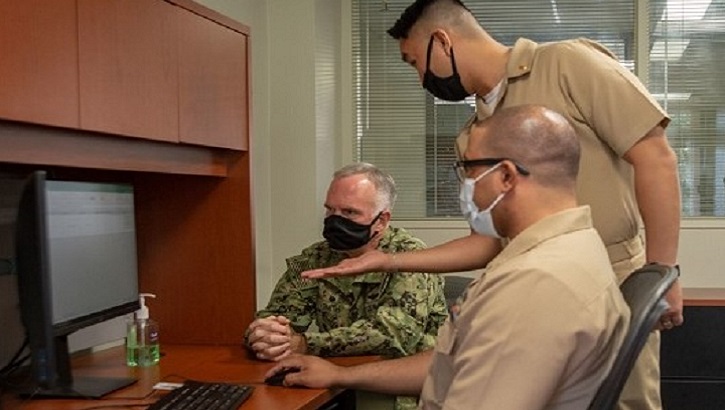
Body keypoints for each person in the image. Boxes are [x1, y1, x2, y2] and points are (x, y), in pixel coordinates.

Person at [306, 1, 683, 409]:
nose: (420, 80)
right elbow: (486, 241)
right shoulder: (475, 134)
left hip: (610, 275)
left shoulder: (567, 65)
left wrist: (662, 272)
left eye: (415, 62)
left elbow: (654, 157)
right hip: (535, 280)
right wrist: (387, 260)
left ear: (443, 41)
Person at [272, 104, 631, 409]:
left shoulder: (536, 283)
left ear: (505, 175)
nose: (465, 187)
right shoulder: (569, 250)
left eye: (469, 170)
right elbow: (455, 364)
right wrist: (339, 374)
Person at [244, 162, 448, 410]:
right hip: (335, 383)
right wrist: (265, 335)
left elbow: (391, 336)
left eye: (350, 213)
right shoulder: (315, 258)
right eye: (331, 211)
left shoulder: (409, 257)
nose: (335, 221)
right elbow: (276, 316)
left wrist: (305, 344)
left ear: (381, 221)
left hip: (402, 391)